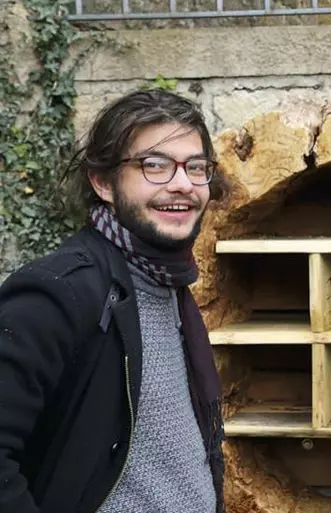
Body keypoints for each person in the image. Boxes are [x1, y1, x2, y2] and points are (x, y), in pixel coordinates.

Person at [0, 89, 229, 513]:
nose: (182, 183)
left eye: (196, 167)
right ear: (103, 182)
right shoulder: (59, 293)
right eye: (154, 165)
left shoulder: (169, 284)